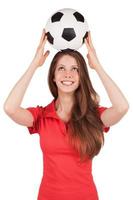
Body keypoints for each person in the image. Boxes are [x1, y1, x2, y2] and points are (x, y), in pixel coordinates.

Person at [3, 29, 129, 200]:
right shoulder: (41, 115)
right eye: (61, 68)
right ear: (53, 76)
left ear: (81, 76)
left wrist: (97, 66)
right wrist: (34, 64)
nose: (67, 74)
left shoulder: (94, 115)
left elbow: (122, 107)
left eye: (75, 69)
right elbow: (10, 108)